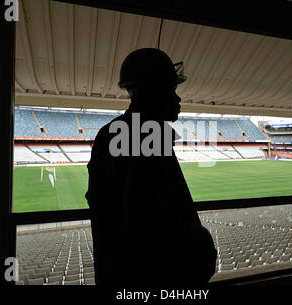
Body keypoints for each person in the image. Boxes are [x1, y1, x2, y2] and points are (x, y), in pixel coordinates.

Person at [86, 48, 217, 286]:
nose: (177, 99)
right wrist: (202, 242)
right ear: (153, 90)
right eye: (172, 89)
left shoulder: (110, 134)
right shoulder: (147, 138)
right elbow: (149, 223)